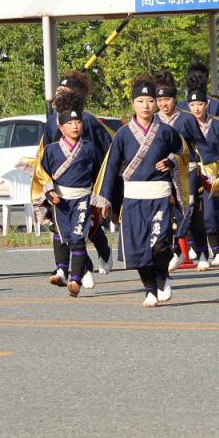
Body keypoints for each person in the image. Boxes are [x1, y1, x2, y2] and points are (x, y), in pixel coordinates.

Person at [97, 75, 189, 308]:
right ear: (133, 104)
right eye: (141, 101)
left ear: (156, 103)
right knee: (138, 247)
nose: (146, 106)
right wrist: (106, 198)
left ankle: (163, 277)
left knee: (159, 243)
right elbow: (111, 167)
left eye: (150, 101)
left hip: (159, 196)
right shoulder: (123, 135)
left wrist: (171, 161)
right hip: (133, 198)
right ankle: (149, 288)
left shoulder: (167, 132)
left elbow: (186, 156)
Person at [41, 70, 114, 279]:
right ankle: (70, 269)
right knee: (62, 229)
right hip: (60, 186)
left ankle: (104, 252)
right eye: (57, 91)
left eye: (64, 91)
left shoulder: (88, 121)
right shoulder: (50, 122)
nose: (58, 95)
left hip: (86, 184)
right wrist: (47, 186)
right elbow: (45, 155)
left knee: (89, 228)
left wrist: (104, 187)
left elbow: (107, 152)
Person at [31, 103, 107, 297]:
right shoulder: (51, 150)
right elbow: (41, 175)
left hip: (83, 198)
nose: (75, 126)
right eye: (70, 123)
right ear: (61, 127)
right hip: (61, 200)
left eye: (78, 122)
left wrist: (103, 199)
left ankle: (76, 280)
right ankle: (62, 270)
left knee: (77, 236)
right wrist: (49, 193)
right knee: (61, 234)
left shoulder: (90, 149)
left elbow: (101, 174)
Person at [154, 71, 205, 272]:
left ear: (175, 100)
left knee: (190, 213)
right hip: (161, 174)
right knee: (167, 214)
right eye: (160, 99)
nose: (163, 104)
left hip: (187, 170)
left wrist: (207, 169)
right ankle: (175, 250)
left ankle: (202, 252)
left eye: (167, 99)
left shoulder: (187, 119)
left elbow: (201, 145)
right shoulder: (154, 120)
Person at [187, 86, 219, 269]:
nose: (196, 109)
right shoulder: (186, 126)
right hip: (202, 177)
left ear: (207, 104)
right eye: (192, 105)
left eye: (199, 104)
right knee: (208, 216)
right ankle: (216, 250)